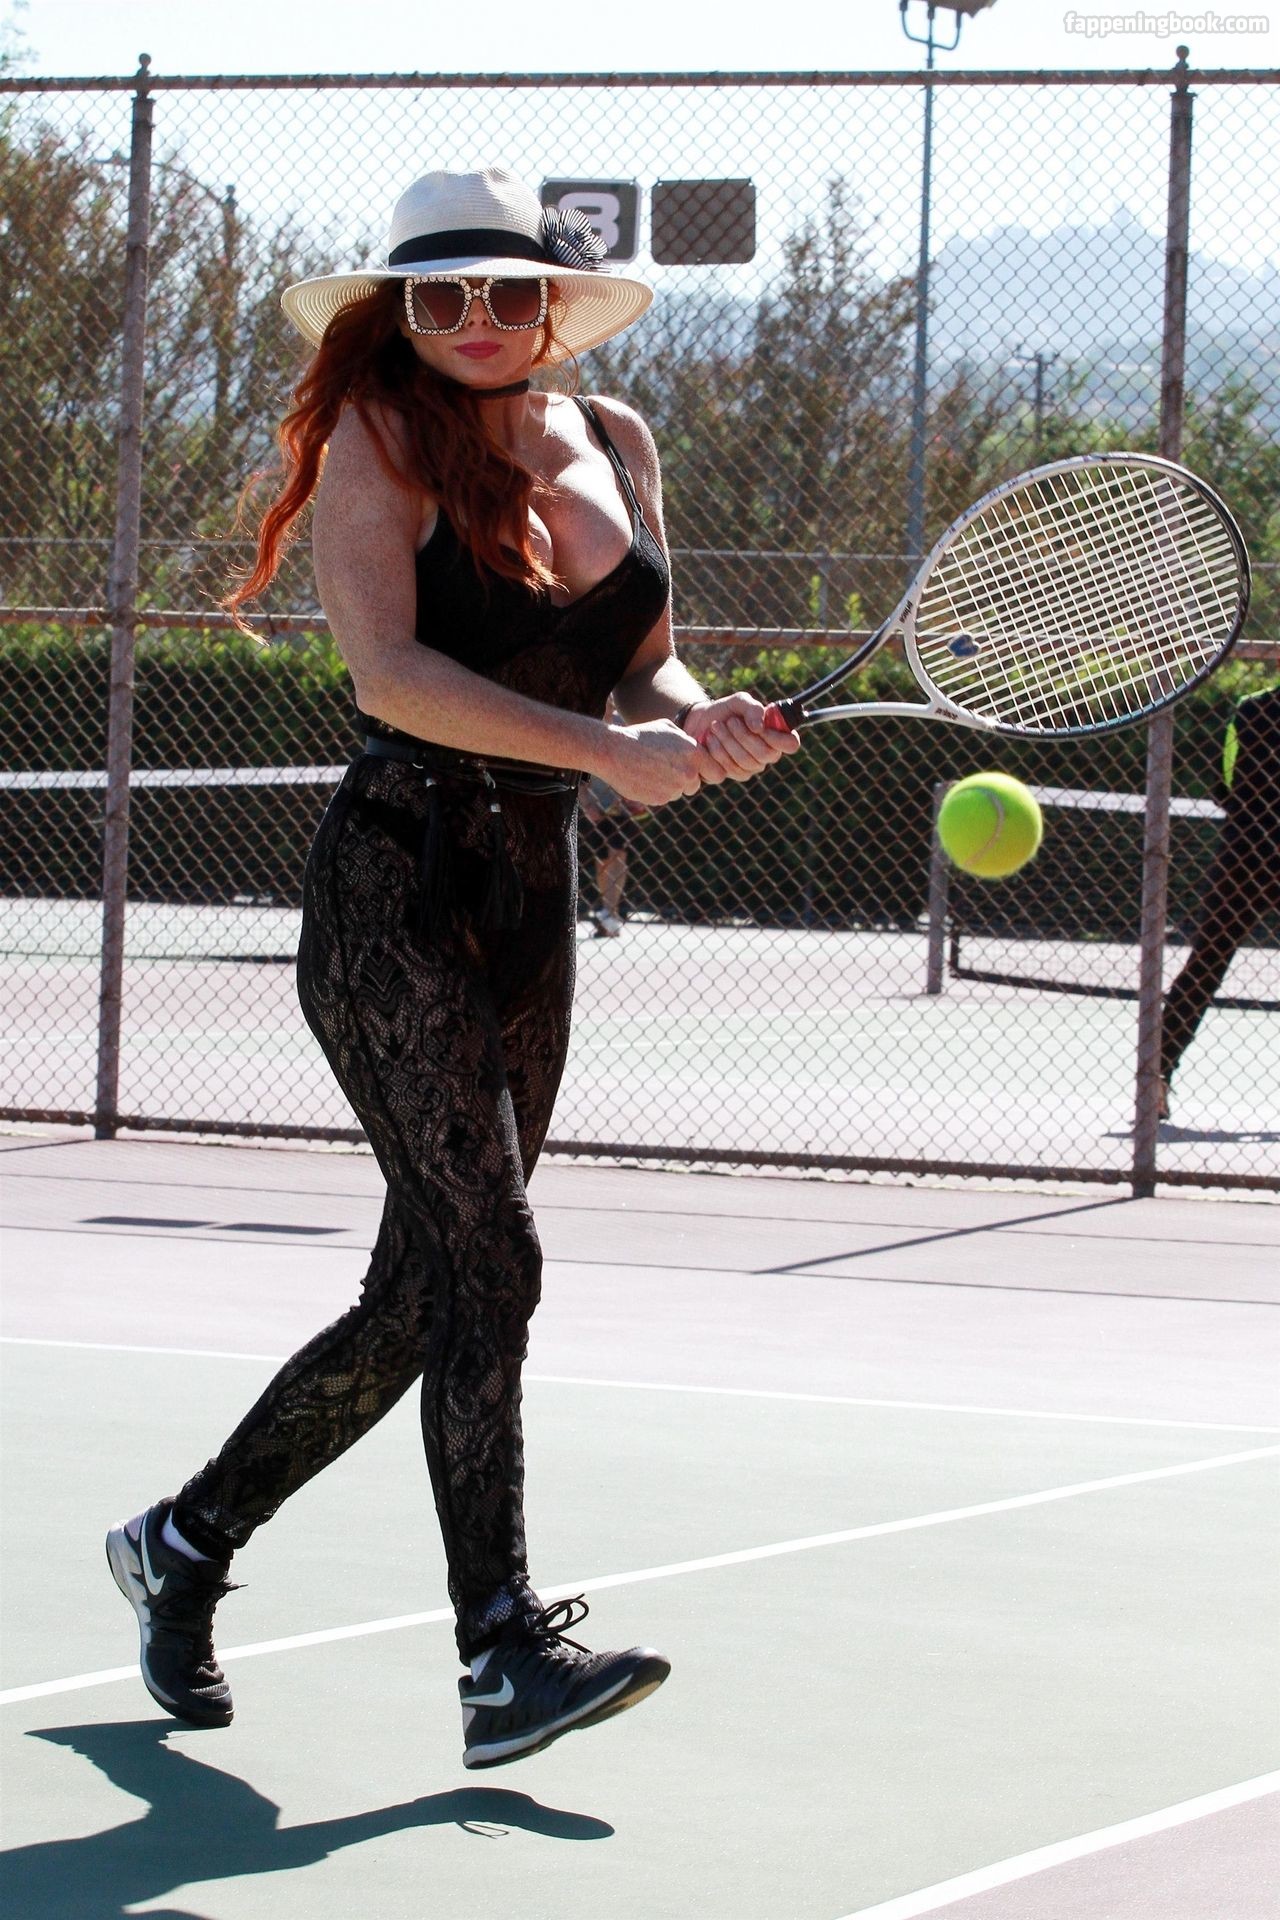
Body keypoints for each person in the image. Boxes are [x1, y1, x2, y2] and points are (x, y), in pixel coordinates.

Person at [105, 167, 798, 1770]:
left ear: (553, 306)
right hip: (393, 892)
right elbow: (391, 674)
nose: (475, 319)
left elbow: (642, 659)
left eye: (505, 291)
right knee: (495, 1263)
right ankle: (500, 1655)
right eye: (440, 295)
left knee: (427, 1289)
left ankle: (182, 1543)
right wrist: (607, 755)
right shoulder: (380, 440)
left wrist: (695, 719)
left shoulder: (615, 438)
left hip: (529, 901)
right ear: (402, 313)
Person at [1159, 682, 1280, 1116]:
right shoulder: (1251, 709)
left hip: (1243, 855)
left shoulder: (1250, 710)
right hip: (1247, 854)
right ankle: (1156, 1075)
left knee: (1205, 964)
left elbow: (1224, 786)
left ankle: (1156, 1074)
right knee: (1205, 964)